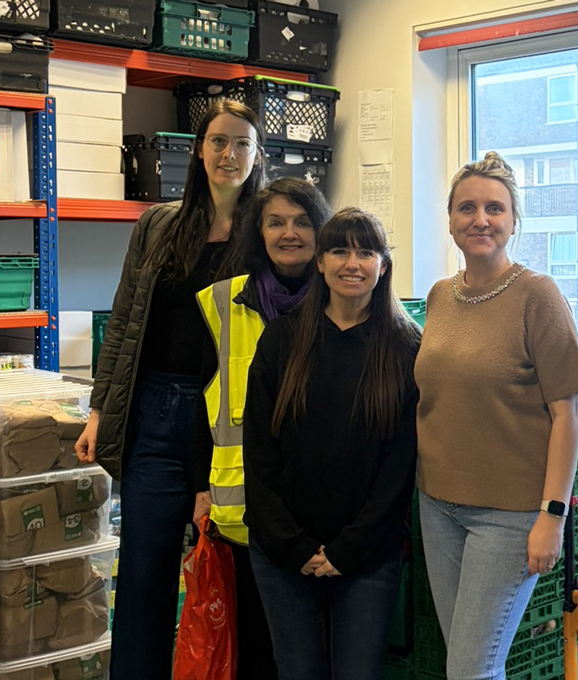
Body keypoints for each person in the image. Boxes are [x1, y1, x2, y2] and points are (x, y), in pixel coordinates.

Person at [74, 99, 266, 680]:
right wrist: (100, 410)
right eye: (218, 141)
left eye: (242, 143)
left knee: (233, 571)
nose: (229, 154)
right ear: (199, 150)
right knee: (144, 571)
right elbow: (125, 321)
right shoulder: (158, 225)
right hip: (155, 412)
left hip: (230, 420)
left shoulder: (266, 231)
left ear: (257, 156)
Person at [415, 152, 578, 679]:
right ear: (450, 220)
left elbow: (567, 415)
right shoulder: (440, 297)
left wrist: (552, 517)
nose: (480, 219)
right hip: (437, 505)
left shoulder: (538, 296)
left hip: (509, 517)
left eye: (495, 208)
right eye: (467, 208)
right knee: (465, 664)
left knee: (472, 669)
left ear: (514, 221)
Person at [243, 207, 421, 680]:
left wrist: (348, 550)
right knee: (297, 670)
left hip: (367, 553)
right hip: (282, 550)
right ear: (320, 262)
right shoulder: (281, 339)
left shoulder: (407, 348)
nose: (352, 263)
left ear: (383, 265)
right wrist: (292, 545)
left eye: (366, 252)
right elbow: (258, 454)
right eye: (340, 250)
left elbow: (399, 468)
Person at [193, 177, 332, 679]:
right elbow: (200, 402)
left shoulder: (345, 298)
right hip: (248, 512)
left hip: (325, 512)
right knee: (258, 649)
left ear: (321, 232)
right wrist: (199, 487)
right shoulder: (221, 303)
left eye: (302, 222)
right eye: (276, 222)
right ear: (259, 232)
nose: (289, 233)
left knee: (320, 653)